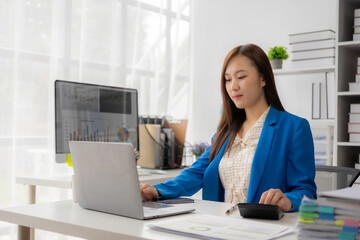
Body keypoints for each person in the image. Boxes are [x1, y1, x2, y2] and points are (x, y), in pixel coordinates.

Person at [140, 44, 317, 212]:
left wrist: (287, 200)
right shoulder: (226, 131)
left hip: (263, 228)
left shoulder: (294, 127)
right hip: (221, 226)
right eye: (227, 79)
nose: (233, 87)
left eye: (241, 77)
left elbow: (305, 191)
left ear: (263, 78)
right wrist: (157, 191)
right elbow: (197, 172)